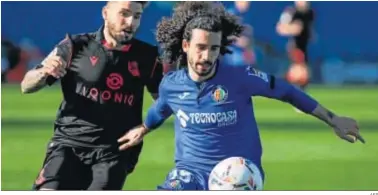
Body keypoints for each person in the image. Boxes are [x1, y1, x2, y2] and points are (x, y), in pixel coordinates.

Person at [118, 2, 365, 190]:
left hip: (239, 173)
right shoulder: (171, 84)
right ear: (185, 46)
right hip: (189, 173)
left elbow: (288, 91)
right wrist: (143, 128)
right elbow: (161, 109)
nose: (207, 56)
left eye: (214, 48)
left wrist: (333, 119)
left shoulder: (240, 77)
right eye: (201, 48)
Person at [21, 1, 163, 190]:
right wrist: (43, 72)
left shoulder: (147, 56)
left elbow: (165, 101)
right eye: (124, 14)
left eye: (137, 16)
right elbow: (26, 85)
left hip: (115, 152)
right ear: (106, 13)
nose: (131, 23)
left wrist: (146, 127)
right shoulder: (74, 46)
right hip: (68, 144)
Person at [276, 1, 315, 91]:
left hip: (304, 46)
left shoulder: (309, 13)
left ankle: (294, 90)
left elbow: (298, 28)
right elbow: (281, 29)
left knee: (302, 73)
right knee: (298, 72)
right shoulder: (292, 13)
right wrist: (289, 26)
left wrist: (289, 27)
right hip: (295, 46)